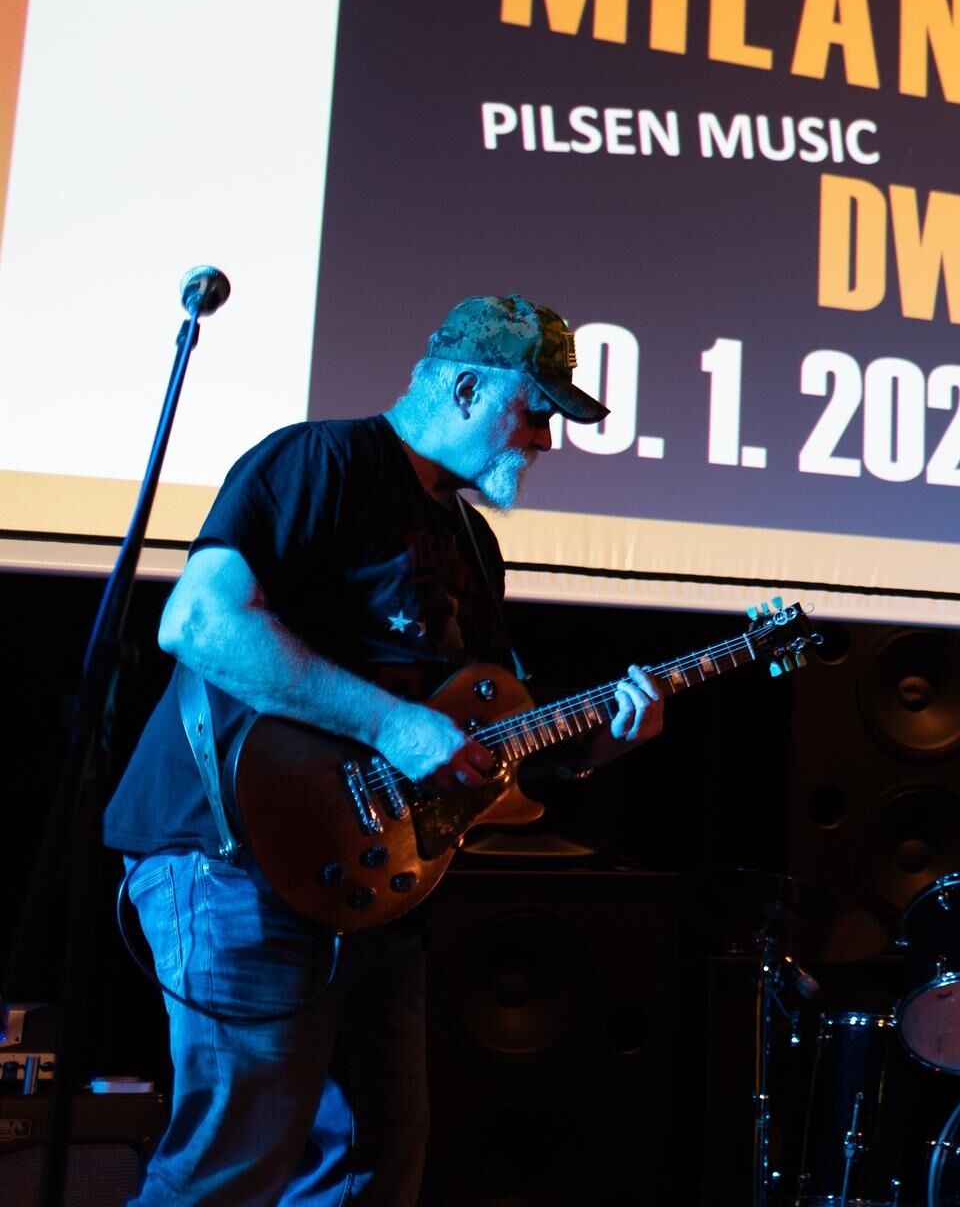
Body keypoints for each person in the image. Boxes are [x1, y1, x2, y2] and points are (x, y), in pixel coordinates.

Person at [102, 295, 667, 1206]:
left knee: (375, 1168)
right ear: (468, 388)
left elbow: (479, 737)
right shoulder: (322, 460)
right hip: (234, 860)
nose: (547, 441)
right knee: (231, 1166)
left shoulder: (472, 543)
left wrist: (602, 743)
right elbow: (199, 621)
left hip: (371, 888)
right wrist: (392, 727)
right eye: (537, 411)